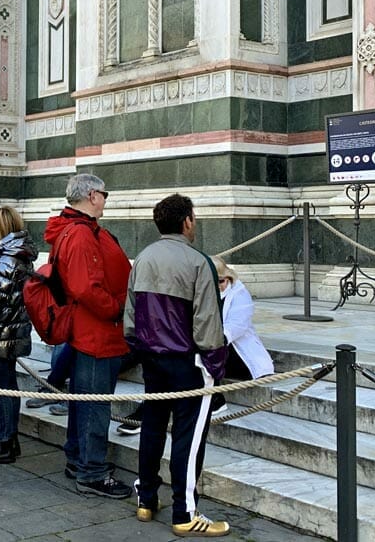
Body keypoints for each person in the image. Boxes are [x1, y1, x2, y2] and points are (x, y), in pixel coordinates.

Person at [125, 194, 230, 537]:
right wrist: (215, 365)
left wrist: (140, 347)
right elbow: (208, 323)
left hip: (152, 359)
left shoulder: (142, 258)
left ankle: (146, 498)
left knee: (153, 427)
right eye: (193, 217)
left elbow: (130, 316)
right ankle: (185, 512)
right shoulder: (199, 262)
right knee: (189, 437)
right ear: (186, 221)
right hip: (188, 363)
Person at [45, 174, 133, 499]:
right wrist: (116, 309)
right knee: (94, 404)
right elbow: (86, 287)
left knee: (84, 400)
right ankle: (92, 472)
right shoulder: (81, 233)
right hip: (96, 332)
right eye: (105, 194)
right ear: (93, 195)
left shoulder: (79, 229)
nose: (106, 199)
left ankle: (78, 458)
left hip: (91, 331)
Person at [0, 206, 38, 465]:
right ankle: (8, 441)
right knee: (5, 384)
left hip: (4, 331)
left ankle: (5, 442)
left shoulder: (7, 257)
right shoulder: (11, 253)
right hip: (9, 330)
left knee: (3, 385)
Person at [211, 256, 274, 408]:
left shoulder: (239, 293)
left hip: (237, 353)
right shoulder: (204, 294)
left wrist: (215, 339)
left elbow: (238, 324)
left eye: (221, 281)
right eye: (213, 282)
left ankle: (216, 400)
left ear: (229, 278)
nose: (218, 286)